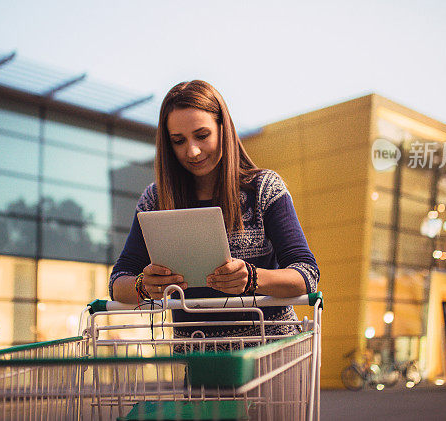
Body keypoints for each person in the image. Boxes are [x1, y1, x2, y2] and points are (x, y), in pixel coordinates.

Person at [109, 80, 319, 340]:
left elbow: (307, 273)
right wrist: (144, 285)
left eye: (202, 135)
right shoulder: (156, 200)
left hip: (270, 351)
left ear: (223, 129)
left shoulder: (264, 188)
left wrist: (252, 278)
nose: (192, 151)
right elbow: (118, 282)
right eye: (178, 141)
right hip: (199, 359)